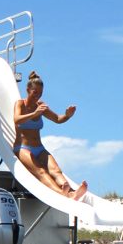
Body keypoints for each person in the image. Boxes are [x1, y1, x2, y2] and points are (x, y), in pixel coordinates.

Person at [13, 70, 88, 201]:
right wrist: (34, 114)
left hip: (39, 148)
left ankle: (71, 192)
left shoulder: (41, 106)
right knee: (41, 171)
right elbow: (17, 119)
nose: (37, 96)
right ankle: (62, 193)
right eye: (35, 92)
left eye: (40, 93)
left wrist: (67, 115)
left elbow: (58, 119)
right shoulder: (20, 104)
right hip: (23, 148)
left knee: (56, 171)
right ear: (28, 90)